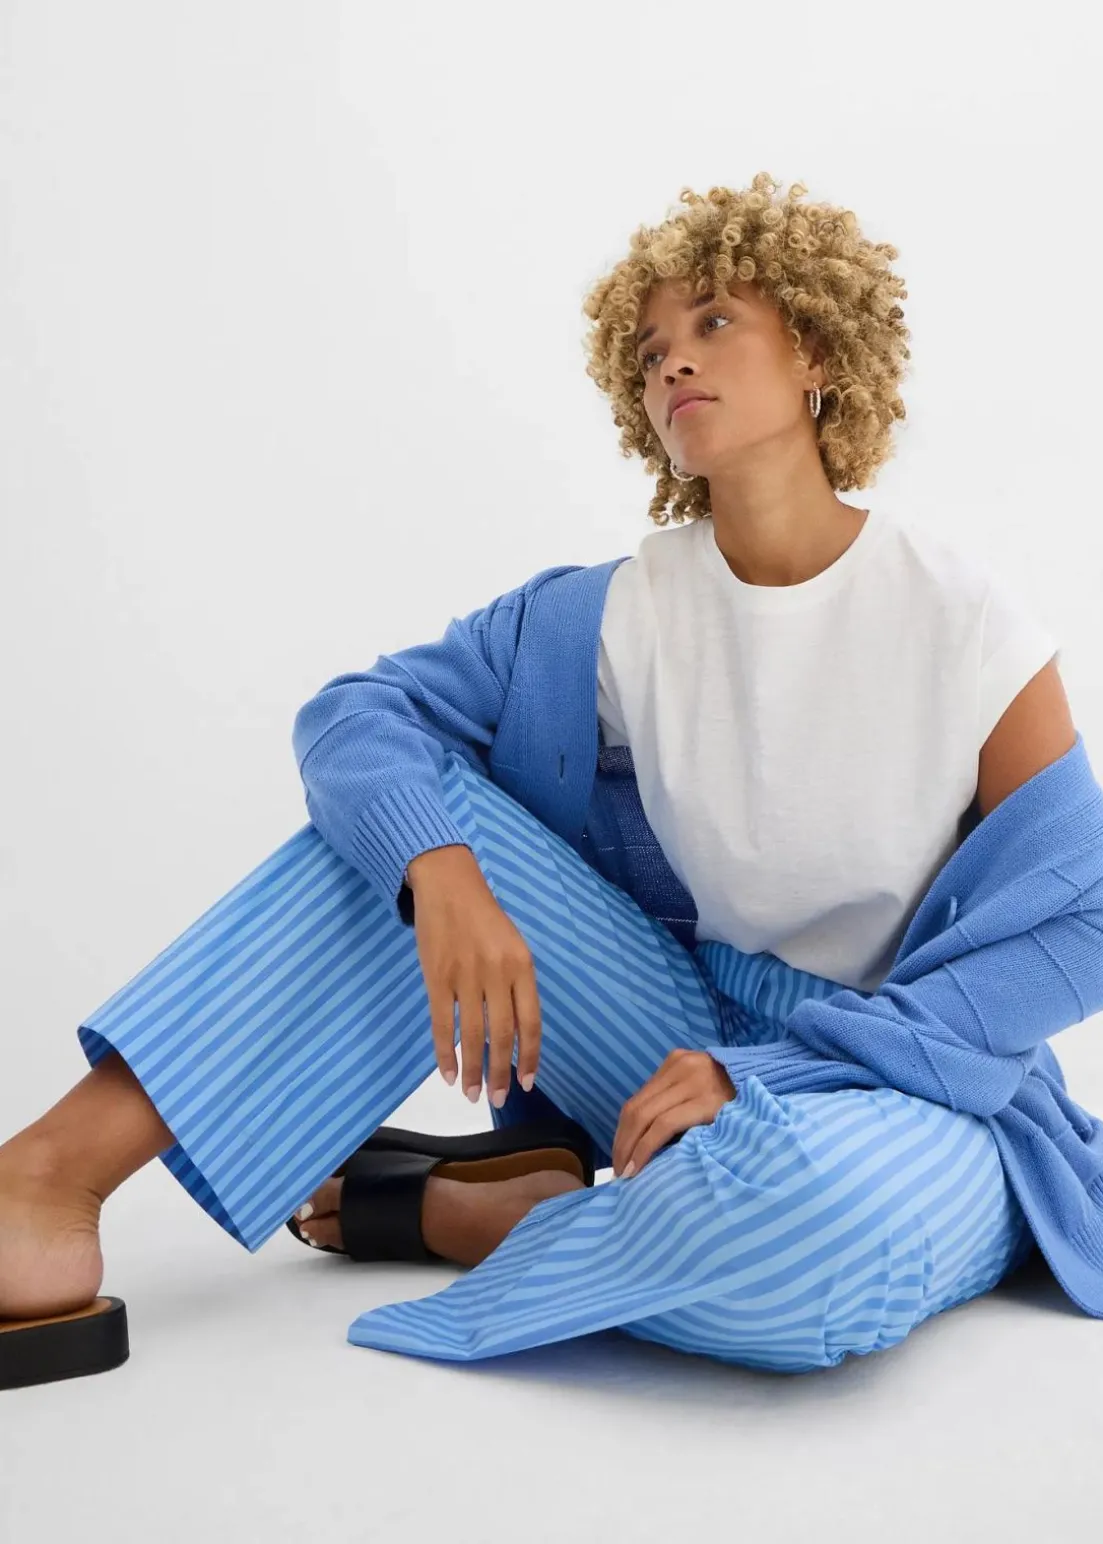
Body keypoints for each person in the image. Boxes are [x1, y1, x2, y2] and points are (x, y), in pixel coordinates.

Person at [0, 171, 1081, 1384]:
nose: (672, 361)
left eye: (712, 322)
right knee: (400, 821)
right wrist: (441, 876)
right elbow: (357, 716)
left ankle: (492, 1218)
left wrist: (775, 1073)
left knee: (812, 1243)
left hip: (908, 1076)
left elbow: (1078, 914)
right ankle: (43, 1183)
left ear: (817, 352)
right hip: (674, 1031)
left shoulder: (956, 617)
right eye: (650, 349)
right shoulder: (618, 613)